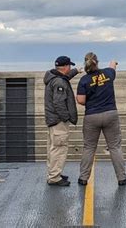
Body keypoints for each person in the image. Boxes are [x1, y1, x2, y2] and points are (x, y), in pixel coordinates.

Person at [76, 52, 126, 186]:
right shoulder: (108, 74)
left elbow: (81, 100)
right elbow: (112, 66)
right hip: (110, 114)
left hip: (92, 116)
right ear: (97, 62)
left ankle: (83, 178)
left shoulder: (84, 80)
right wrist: (114, 62)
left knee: (89, 148)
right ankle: (122, 178)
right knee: (115, 147)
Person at [44, 56, 81, 186]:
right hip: (58, 121)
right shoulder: (59, 82)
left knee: (53, 148)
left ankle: (54, 173)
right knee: (59, 149)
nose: (70, 68)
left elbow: (65, 78)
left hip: (52, 120)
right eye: (70, 66)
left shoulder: (53, 77)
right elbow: (59, 103)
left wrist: (76, 71)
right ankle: (54, 177)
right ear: (65, 67)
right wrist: (66, 117)